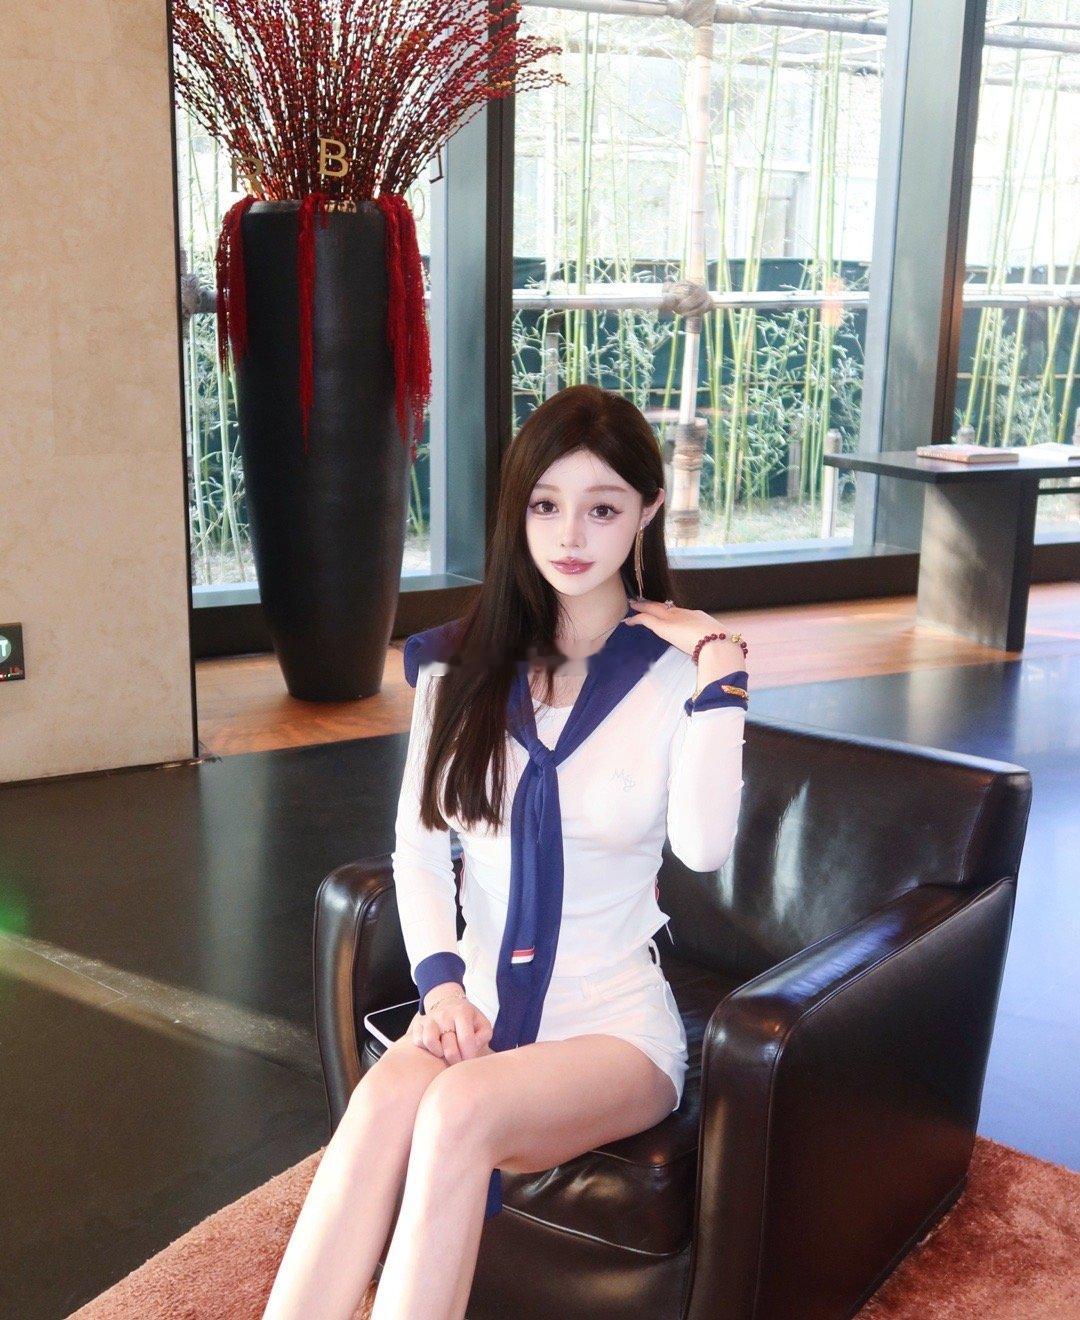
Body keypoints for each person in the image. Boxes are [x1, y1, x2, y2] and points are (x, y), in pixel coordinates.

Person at [262, 383, 749, 1320]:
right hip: (477, 1008)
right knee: (382, 1105)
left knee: (458, 1109)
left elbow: (702, 846)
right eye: (545, 505)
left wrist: (720, 670)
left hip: (613, 1030)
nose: (570, 535)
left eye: (602, 508)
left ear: (647, 512)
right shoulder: (459, 666)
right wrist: (441, 990)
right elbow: (417, 847)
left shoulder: (675, 676)